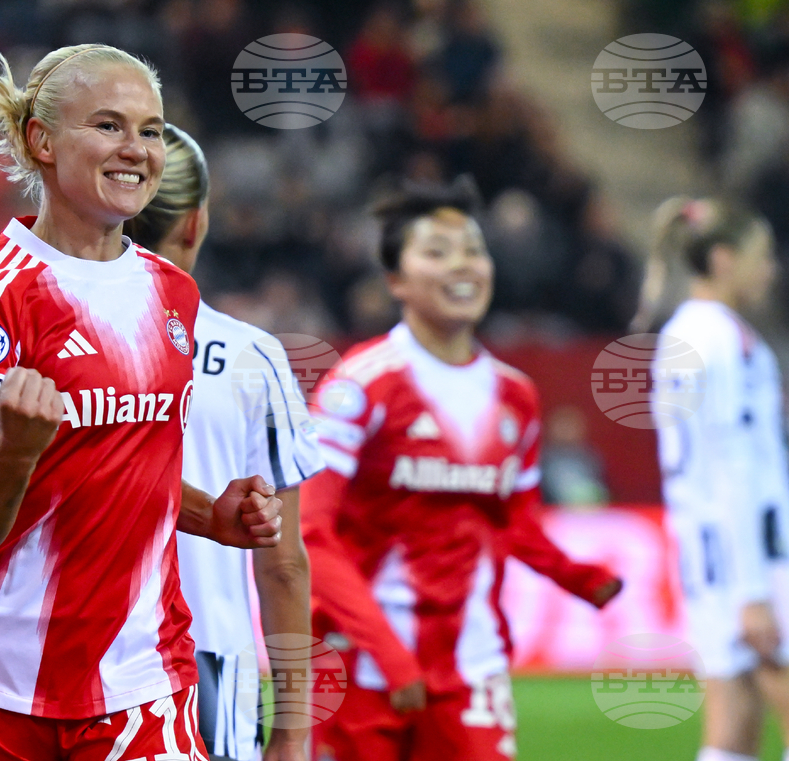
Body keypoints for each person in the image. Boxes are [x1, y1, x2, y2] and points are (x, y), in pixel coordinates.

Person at [0, 44, 283, 761]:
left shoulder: (172, 292)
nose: (136, 149)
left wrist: (211, 516)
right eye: (108, 125)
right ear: (42, 141)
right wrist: (16, 451)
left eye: (150, 130)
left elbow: (120, 464)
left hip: (140, 676)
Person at [301, 178, 622, 761]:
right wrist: (389, 654)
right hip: (365, 664)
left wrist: (578, 576)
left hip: (472, 665)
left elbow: (513, 522)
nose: (462, 265)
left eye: (474, 249)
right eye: (437, 251)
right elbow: (312, 533)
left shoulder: (515, 395)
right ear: (396, 280)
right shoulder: (361, 385)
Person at [126, 124, 324, 761]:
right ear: (195, 223)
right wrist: (291, 732)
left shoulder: (60, 339)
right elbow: (283, 563)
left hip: (88, 654)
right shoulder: (251, 356)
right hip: (210, 666)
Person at [648, 197, 789, 761]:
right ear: (725, 259)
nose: (772, 269)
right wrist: (753, 592)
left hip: (706, 551)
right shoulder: (724, 340)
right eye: (763, 256)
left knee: (732, 731)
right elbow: (733, 463)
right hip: (751, 551)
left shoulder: (682, 334)